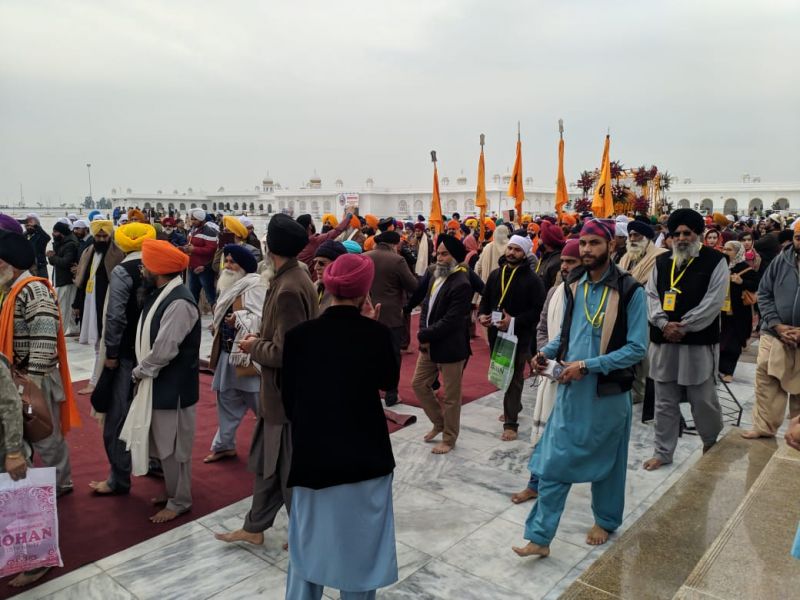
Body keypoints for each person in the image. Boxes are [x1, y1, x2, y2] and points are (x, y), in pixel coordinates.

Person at [512, 219, 647, 558]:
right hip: (572, 391)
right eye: (583, 243)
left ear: (611, 246)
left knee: (608, 463)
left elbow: (637, 348)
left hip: (607, 394)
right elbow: (566, 334)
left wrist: (587, 366)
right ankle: (540, 537)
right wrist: (546, 353)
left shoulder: (631, 291)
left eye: (594, 243)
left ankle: (606, 521)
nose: (586, 249)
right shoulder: (574, 285)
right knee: (553, 462)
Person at [282, 254, 398, 599]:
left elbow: (289, 400)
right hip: (365, 458)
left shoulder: (299, 336)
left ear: (329, 289)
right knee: (361, 554)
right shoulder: (375, 334)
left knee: (307, 550)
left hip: (313, 459)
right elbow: (388, 381)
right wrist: (372, 328)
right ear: (364, 292)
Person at [215, 214, 316, 547]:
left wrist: (253, 346)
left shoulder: (288, 288)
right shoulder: (292, 277)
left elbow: (288, 351)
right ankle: (254, 526)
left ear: (270, 248)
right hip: (278, 395)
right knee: (265, 463)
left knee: (284, 468)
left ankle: (305, 532)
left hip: (285, 394)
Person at [120, 239, 199, 523]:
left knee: (173, 448)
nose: (142, 270)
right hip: (159, 383)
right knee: (162, 445)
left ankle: (180, 501)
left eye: (145, 265)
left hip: (173, 388)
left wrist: (140, 371)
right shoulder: (161, 293)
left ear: (158, 269)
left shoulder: (179, 302)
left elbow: (165, 349)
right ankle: (171, 491)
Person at [643, 209, 728, 471]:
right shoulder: (662, 261)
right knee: (664, 401)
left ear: (698, 234)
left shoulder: (715, 261)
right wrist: (663, 323)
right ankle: (663, 452)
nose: (681, 238)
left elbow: (714, 301)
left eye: (687, 233)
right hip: (664, 341)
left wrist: (686, 326)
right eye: (676, 233)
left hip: (697, 343)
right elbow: (651, 295)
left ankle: (711, 444)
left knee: (702, 399)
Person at [0, 231, 80, 499]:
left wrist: (31, 387)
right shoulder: (11, 290)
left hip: (37, 377)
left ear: (9, 264)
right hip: (18, 377)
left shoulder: (34, 290)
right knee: (23, 434)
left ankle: (61, 482)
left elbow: (44, 339)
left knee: (43, 433)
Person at [511, 238, 581, 504]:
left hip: (577, 374)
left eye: (571, 262)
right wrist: (544, 355)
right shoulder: (554, 292)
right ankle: (535, 484)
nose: (565, 267)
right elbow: (543, 328)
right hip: (551, 373)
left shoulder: (590, 296)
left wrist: (571, 364)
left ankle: (555, 486)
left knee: (566, 438)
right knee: (545, 434)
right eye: (563, 261)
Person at [88, 223, 156, 495]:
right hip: (154, 354)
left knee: (117, 418)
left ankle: (119, 478)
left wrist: (112, 354)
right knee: (153, 412)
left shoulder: (122, 271)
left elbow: (115, 316)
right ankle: (156, 464)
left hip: (126, 356)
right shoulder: (160, 266)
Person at [478, 234, 546, 440]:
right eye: (510, 248)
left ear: (524, 254)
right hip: (496, 334)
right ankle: (515, 405)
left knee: (514, 377)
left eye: (517, 250)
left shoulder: (533, 280)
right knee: (502, 374)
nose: (511, 253)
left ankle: (511, 423)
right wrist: (482, 315)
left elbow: (538, 311)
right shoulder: (496, 274)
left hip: (519, 336)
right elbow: (486, 299)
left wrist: (514, 321)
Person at [411, 235, 472, 455]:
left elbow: (452, 320)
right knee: (418, 384)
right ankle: (439, 423)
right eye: (438, 253)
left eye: (444, 254)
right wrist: (423, 332)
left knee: (451, 397)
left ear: (455, 257)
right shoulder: (437, 275)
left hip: (450, 346)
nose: (439, 257)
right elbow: (426, 306)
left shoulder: (462, 283)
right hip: (430, 343)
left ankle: (449, 438)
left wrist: (425, 333)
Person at [206, 245, 265, 463]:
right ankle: (224, 446)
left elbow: (262, 319)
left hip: (247, 357)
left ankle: (274, 450)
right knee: (226, 401)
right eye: (227, 261)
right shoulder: (230, 286)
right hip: (226, 354)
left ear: (244, 266)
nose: (228, 266)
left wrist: (238, 319)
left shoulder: (255, 285)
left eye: (232, 262)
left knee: (262, 406)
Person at [742, 221, 800, 439]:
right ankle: (763, 427)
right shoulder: (781, 261)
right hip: (775, 332)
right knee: (766, 377)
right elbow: (764, 293)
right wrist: (777, 324)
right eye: (798, 238)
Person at [366, 230, 419, 407]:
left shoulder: (365, 256)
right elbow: (412, 285)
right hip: (391, 314)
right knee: (392, 355)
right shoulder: (397, 260)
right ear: (394, 244)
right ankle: (391, 393)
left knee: (370, 353)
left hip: (367, 311)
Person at [72, 218, 124, 395]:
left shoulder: (117, 254)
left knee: (103, 343)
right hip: (90, 302)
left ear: (110, 235)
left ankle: (95, 382)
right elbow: (82, 279)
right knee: (97, 343)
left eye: (104, 236)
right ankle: (96, 380)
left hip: (107, 304)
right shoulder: (88, 252)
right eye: (98, 236)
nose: (101, 239)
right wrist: (77, 304)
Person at [619, 219, 668, 404]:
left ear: (647, 238)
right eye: (630, 235)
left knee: (643, 355)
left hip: (648, 311)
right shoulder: (626, 257)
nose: (632, 239)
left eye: (637, 235)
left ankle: (641, 391)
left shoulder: (661, 256)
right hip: (625, 309)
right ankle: (629, 387)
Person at [718, 241, 760, 382]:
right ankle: (718, 367)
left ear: (738, 252)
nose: (725, 252)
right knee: (720, 340)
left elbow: (755, 285)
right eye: (724, 249)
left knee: (733, 342)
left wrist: (741, 282)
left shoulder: (745, 269)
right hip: (721, 311)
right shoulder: (721, 266)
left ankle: (728, 371)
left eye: (729, 250)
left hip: (738, 313)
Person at [47, 221, 80, 336]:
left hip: (66, 281)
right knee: (64, 307)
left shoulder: (70, 244)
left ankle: (60, 333)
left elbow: (66, 262)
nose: (53, 234)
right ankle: (71, 330)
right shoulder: (61, 242)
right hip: (60, 280)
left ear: (62, 232)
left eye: (55, 232)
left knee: (62, 308)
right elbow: (55, 262)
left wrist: (52, 257)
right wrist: (52, 257)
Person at [296, 211, 352, 276]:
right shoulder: (314, 240)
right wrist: (347, 218)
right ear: (310, 226)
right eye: (312, 222)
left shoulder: (296, 242)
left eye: (329, 223)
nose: (326, 225)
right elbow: (336, 231)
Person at [184, 208, 219, 307]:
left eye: (195, 219)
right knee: (193, 296)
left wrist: (194, 249)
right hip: (192, 267)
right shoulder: (192, 230)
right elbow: (190, 244)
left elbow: (211, 250)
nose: (193, 221)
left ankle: (216, 315)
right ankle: (193, 316)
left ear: (201, 219)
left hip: (204, 268)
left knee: (210, 296)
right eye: (192, 219)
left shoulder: (209, 231)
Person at [313, 240, 347, 311]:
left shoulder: (348, 294)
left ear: (337, 265)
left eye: (321, 263)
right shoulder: (315, 287)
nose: (316, 267)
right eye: (315, 262)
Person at [536, 220, 565, 291]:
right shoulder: (546, 256)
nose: (538, 241)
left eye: (540, 238)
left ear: (547, 242)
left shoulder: (556, 263)